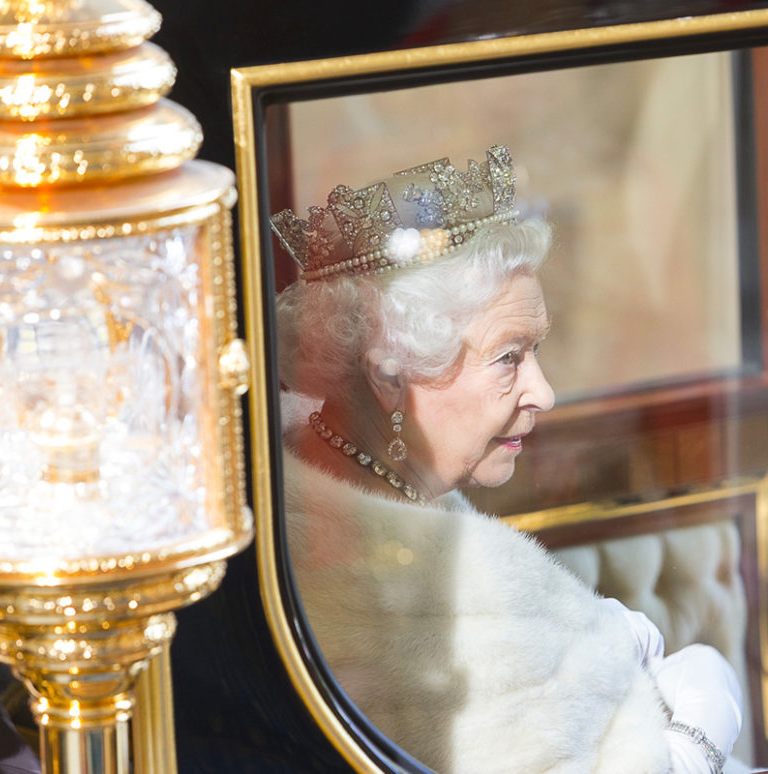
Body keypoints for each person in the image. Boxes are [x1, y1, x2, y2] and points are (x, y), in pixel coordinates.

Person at [271, 145, 743, 774]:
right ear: (391, 373)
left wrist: (573, 638)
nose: (542, 393)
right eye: (508, 357)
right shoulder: (448, 597)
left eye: (535, 350)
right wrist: (699, 740)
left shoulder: (330, 487)